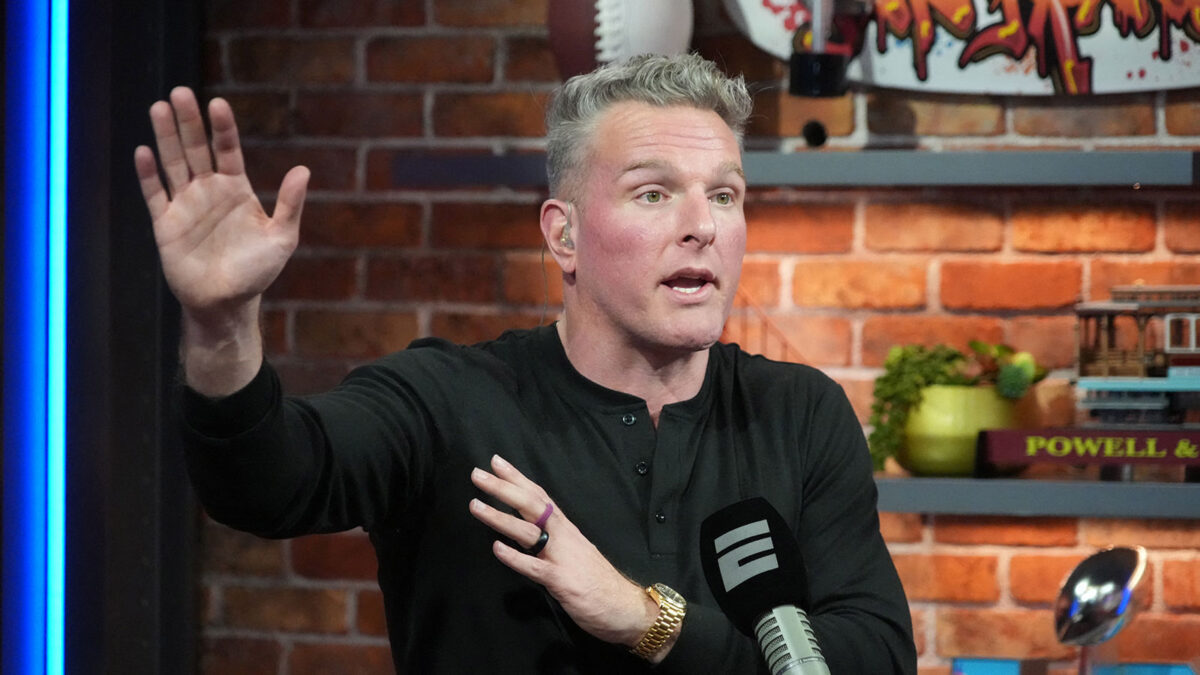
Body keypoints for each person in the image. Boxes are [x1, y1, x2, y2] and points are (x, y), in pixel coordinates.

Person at [134, 53, 917, 673]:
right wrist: (221, 323)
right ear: (563, 235)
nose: (701, 226)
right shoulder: (446, 401)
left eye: (724, 195)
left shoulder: (799, 412)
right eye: (653, 193)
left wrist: (647, 620)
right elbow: (265, 483)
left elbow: (877, 655)